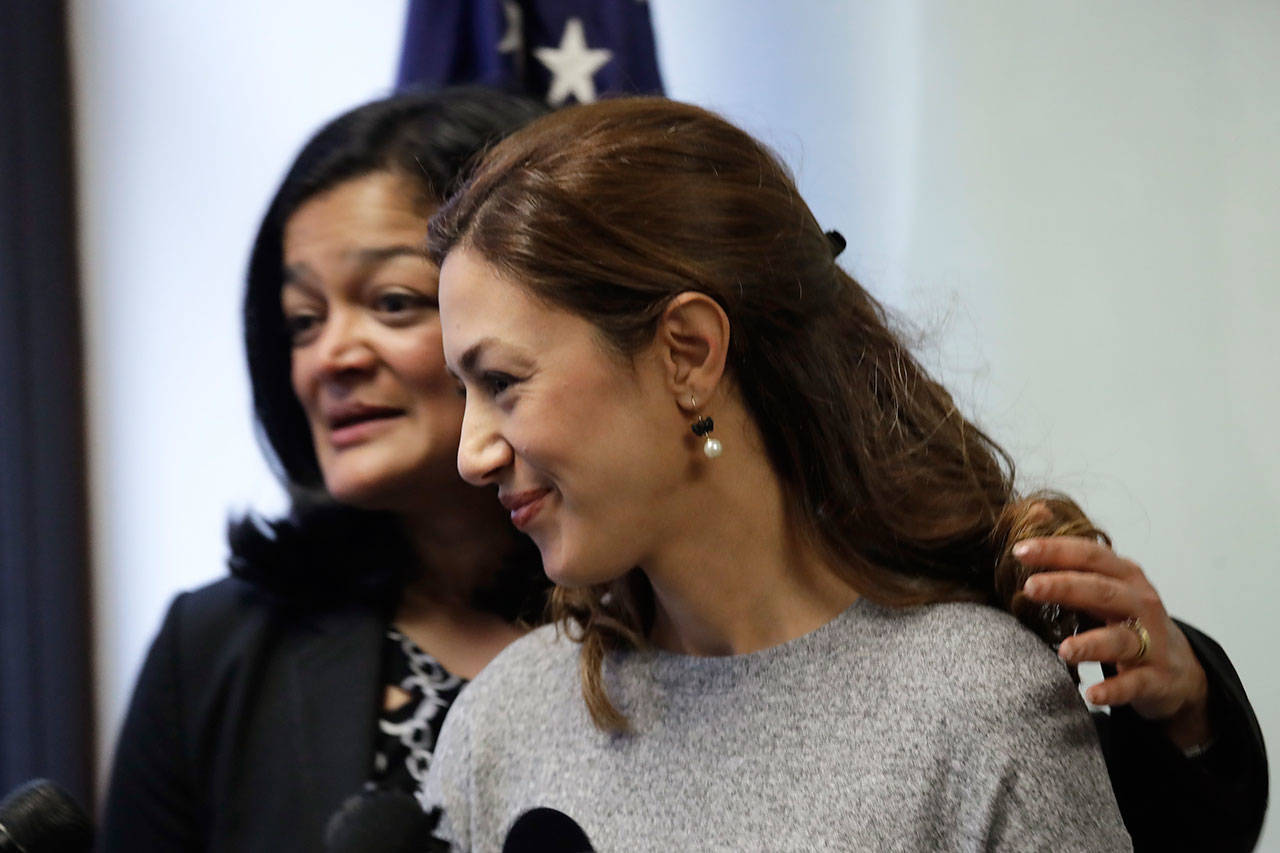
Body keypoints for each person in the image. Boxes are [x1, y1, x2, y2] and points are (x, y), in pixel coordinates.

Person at [99, 89, 1265, 852]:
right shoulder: (505, 722)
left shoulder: (972, 704)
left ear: (688, 355)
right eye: (300, 318)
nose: (472, 449)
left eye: (501, 382)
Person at [98, 88, 551, 852]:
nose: (329, 357)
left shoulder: (683, 614)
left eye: (393, 302)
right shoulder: (209, 651)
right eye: (303, 321)